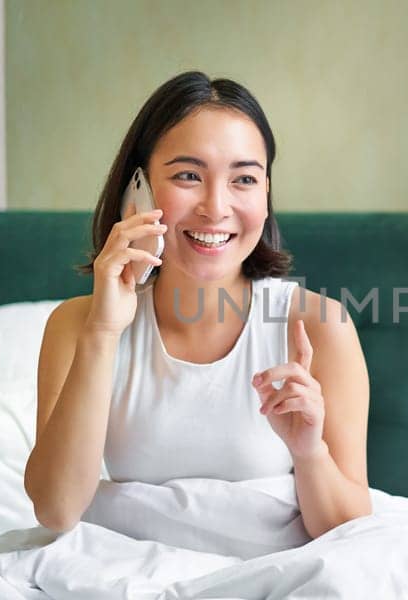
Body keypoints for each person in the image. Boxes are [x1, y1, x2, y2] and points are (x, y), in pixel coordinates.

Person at [23, 71, 372, 539]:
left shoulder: (319, 325)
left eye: (244, 179)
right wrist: (103, 333)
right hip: (127, 577)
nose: (216, 207)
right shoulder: (76, 325)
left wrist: (310, 453)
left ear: (266, 193)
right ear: (138, 188)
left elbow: (350, 535)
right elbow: (56, 510)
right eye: (188, 175)